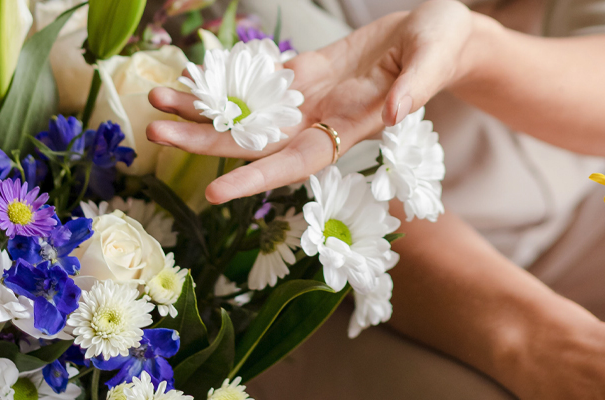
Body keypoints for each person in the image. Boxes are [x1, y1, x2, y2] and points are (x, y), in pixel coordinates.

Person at [146, 0, 605, 397]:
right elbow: (328, 172)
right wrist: (538, 341)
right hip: (397, 263)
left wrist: (472, 48)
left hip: (583, 197)